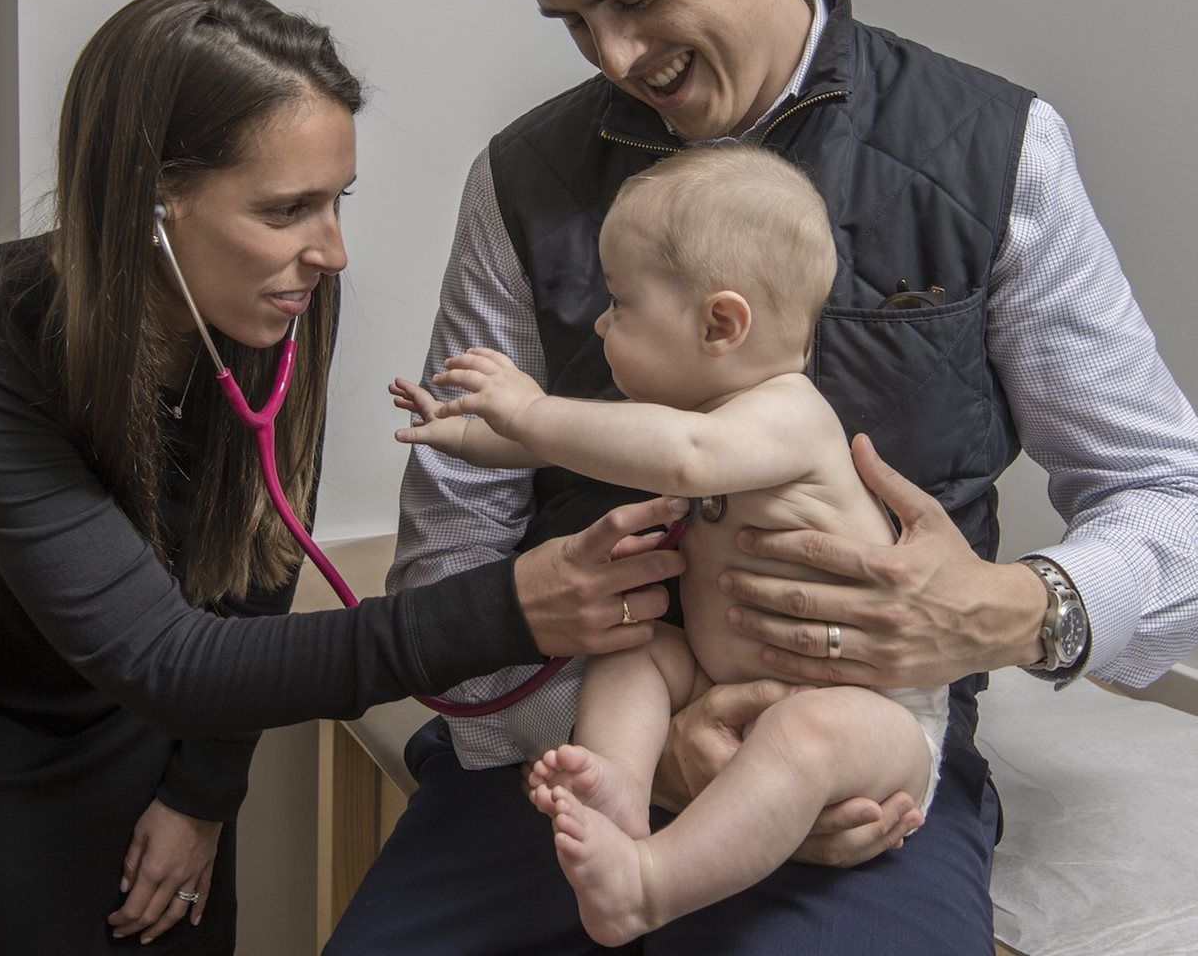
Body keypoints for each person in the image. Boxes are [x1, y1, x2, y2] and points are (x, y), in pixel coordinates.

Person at [327, 0, 1198, 955]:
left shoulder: (994, 155)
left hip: (855, 777)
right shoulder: (519, 182)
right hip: (588, 748)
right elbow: (449, 570)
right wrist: (641, 748)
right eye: (573, 23)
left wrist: (1014, 610)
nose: (618, 61)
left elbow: (1170, 501)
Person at [0, 0, 688, 956]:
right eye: (288, 208)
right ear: (148, 202)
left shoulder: (273, 301)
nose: (330, 250)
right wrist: (510, 606)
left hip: (164, 723)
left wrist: (201, 793)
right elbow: (159, 656)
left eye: (337, 199)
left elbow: (253, 556)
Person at [392, 144, 949, 945]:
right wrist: (473, 435)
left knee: (802, 737)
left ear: (720, 323)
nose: (600, 322)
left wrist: (533, 408)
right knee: (635, 650)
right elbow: (581, 446)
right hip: (725, 682)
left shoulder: (787, 414)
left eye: (620, 303)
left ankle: (648, 887)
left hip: (869, 718)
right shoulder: (719, 418)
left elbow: (677, 457)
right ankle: (618, 786)